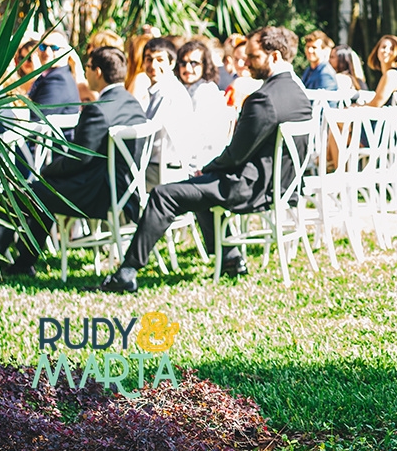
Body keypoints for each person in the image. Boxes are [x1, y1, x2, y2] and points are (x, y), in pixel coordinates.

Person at [94, 27, 313, 291]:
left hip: (252, 188)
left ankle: (126, 273)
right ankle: (231, 258)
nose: (246, 62)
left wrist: (206, 170)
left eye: (253, 57)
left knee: (166, 194)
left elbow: (235, 154)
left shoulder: (264, 98)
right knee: (199, 186)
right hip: (280, 185)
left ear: (274, 56)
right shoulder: (298, 93)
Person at [1, 48, 147, 276]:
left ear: (97, 71)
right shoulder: (131, 102)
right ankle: (23, 262)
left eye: (87, 68)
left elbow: (79, 157)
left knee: (24, 193)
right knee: (42, 192)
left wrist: (47, 170)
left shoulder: (98, 109)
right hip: (124, 190)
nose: (85, 73)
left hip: (98, 193)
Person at [141, 37, 195, 187]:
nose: (153, 65)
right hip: (158, 167)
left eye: (160, 60)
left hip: (164, 171)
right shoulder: (163, 89)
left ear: (171, 63)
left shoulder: (170, 92)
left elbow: (148, 130)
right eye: (149, 59)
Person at [27, 31, 80, 118]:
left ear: (65, 51)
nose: (47, 52)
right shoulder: (51, 74)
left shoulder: (58, 80)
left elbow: (36, 117)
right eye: (43, 46)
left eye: (54, 48)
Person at [175, 39, 225, 113]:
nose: (187, 68)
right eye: (183, 63)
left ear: (205, 65)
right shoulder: (175, 88)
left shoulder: (208, 91)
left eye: (193, 63)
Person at [363, 34, 397, 107]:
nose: (386, 51)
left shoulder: (391, 75)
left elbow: (375, 105)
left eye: (392, 48)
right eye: (383, 47)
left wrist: (355, 107)